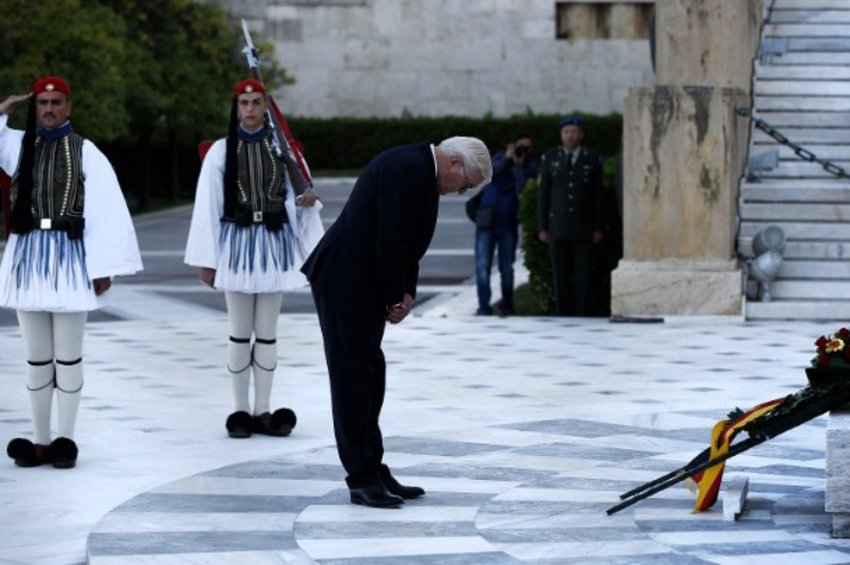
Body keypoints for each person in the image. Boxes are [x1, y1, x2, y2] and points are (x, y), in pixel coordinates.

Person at [302, 137, 492, 507]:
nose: (461, 192)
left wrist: (407, 291)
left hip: (362, 283)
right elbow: (389, 244)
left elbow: (410, 243)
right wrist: (395, 296)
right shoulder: (408, 169)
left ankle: (373, 467)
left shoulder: (422, 170)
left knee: (370, 375)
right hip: (344, 281)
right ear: (454, 162)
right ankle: (360, 477)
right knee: (352, 379)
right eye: (466, 184)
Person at [0, 76, 143, 468]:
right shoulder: (16, 145)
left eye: (56, 102)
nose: (48, 109)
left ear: (68, 106)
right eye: (43, 102)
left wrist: (103, 268)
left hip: (69, 258)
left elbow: (105, 211)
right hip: (28, 257)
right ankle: (41, 440)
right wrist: (3, 110)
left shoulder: (86, 151)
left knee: (68, 357)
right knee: (36, 358)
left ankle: (66, 438)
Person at [185, 78, 323, 440]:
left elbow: (301, 193)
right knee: (238, 333)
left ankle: (263, 409)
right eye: (243, 103)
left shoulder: (284, 149)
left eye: (256, 103)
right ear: (237, 108)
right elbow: (208, 206)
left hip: (274, 245)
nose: (249, 109)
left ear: (266, 106)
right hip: (237, 245)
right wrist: (207, 258)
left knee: (267, 334)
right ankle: (239, 409)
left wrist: (307, 200)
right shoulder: (220, 151)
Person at [537, 116, 604, 316]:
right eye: (566, 132)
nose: (570, 135)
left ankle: (582, 314)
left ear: (581, 135)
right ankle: (563, 315)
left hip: (583, 228)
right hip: (558, 227)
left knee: (583, 275)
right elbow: (544, 195)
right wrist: (542, 227)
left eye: (574, 131)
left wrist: (598, 226)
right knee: (561, 276)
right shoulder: (550, 157)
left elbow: (597, 195)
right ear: (561, 135)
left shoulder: (591, 158)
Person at [474, 134, 538, 316]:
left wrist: (518, 166)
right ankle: (483, 307)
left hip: (508, 224)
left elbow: (522, 190)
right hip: (487, 221)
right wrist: (507, 159)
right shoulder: (498, 159)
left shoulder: (528, 167)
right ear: (511, 145)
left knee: (506, 268)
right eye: (519, 147)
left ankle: (507, 304)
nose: (521, 151)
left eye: (526, 148)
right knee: (482, 265)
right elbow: (488, 175)